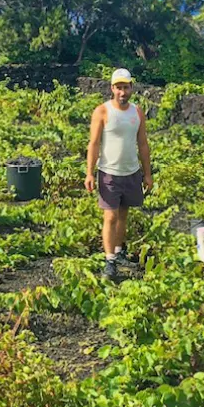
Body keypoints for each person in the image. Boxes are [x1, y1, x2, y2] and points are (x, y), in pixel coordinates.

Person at [85, 68, 153, 279]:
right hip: (109, 172)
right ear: (112, 88)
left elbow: (143, 144)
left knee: (123, 214)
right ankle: (109, 261)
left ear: (132, 88)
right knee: (111, 216)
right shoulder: (102, 112)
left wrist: (147, 174)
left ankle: (118, 251)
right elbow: (94, 144)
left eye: (126, 87)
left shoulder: (137, 112)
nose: (123, 92)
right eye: (119, 88)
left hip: (131, 171)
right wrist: (89, 173)